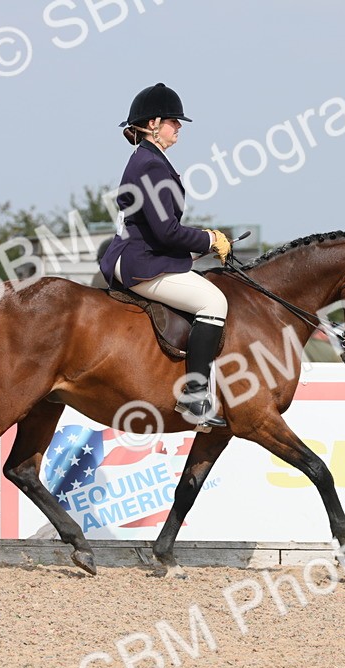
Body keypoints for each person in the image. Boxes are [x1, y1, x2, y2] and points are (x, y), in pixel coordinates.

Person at [99, 83, 232, 426]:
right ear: (155, 122)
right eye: (174, 121)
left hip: (135, 255)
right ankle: (194, 396)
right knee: (214, 303)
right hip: (140, 262)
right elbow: (166, 232)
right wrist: (208, 239)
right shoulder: (152, 165)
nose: (179, 127)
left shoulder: (148, 159)